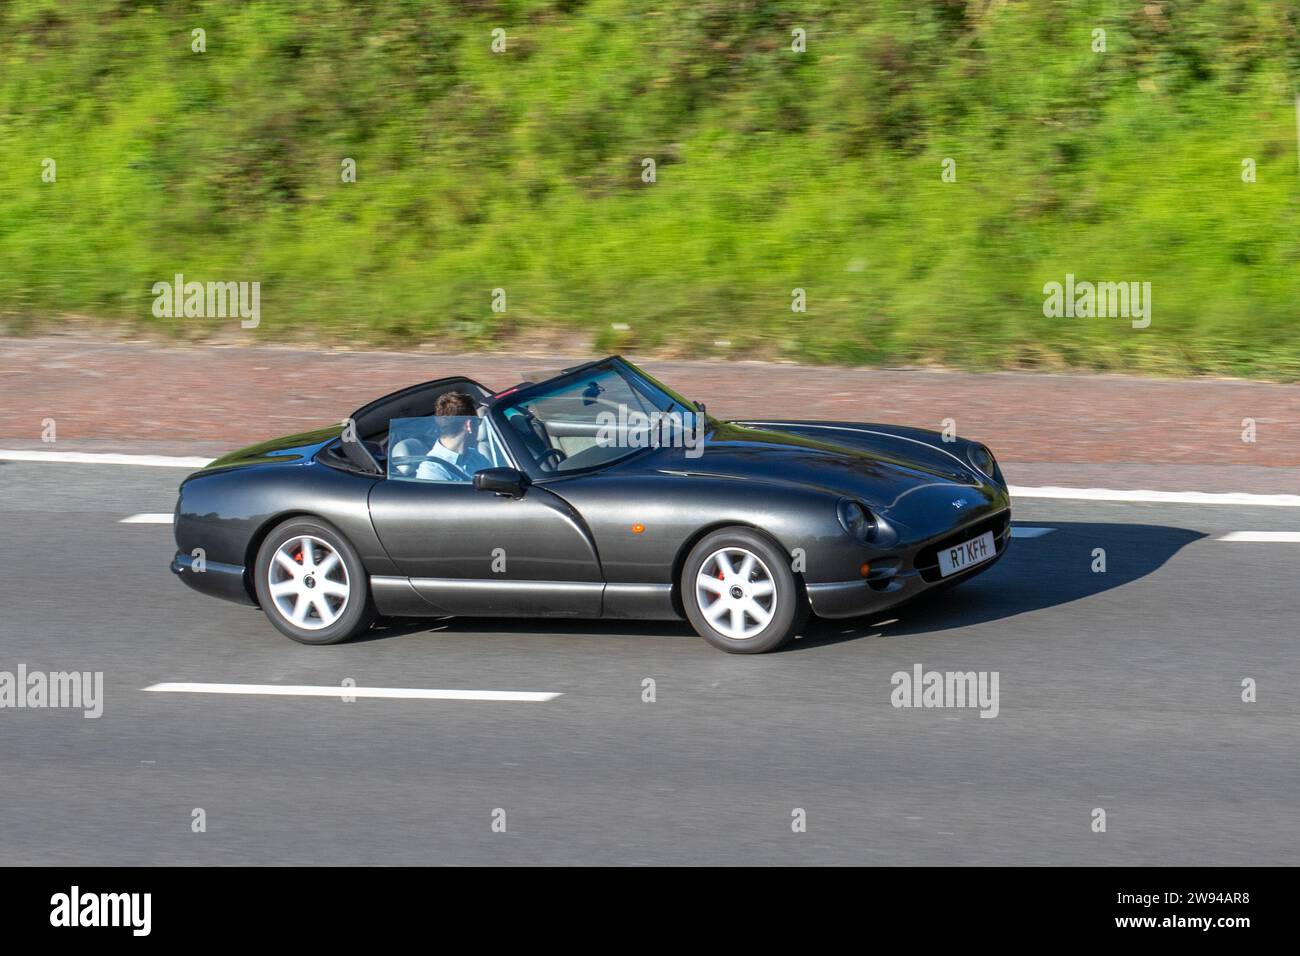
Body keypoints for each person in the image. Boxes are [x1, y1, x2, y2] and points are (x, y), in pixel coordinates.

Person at [415, 391, 493, 481]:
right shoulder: (431, 472)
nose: (479, 427)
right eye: (478, 422)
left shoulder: (475, 456)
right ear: (469, 425)